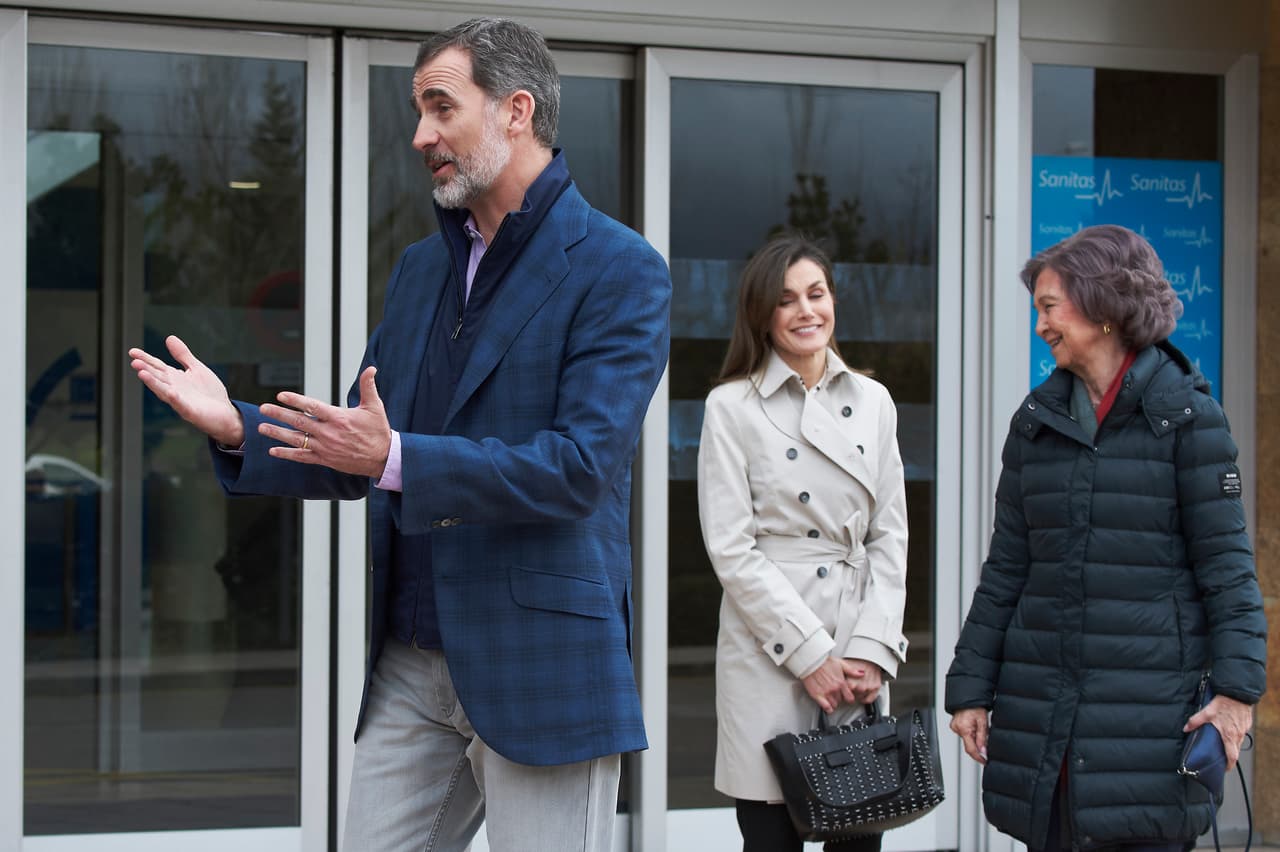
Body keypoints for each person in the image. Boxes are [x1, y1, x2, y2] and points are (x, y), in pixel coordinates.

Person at [129, 17, 671, 852]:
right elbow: (357, 447)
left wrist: (397, 457)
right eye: (417, 111)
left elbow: (579, 468)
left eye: (440, 107)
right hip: (412, 662)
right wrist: (235, 424)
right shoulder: (421, 269)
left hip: (540, 660)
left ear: (516, 109)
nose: (420, 135)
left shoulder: (619, 268)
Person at [945, 224, 1266, 852]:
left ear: (1103, 304)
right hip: (1049, 730)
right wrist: (971, 688)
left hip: (1149, 729)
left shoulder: (1190, 421)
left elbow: (1227, 569)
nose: (1041, 326)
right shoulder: (1035, 425)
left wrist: (1236, 695)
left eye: (1049, 307)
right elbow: (1007, 568)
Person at [696, 235, 909, 852]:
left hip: (855, 646)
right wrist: (808, 654)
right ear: (763, 314)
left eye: (817, 294)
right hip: (769, 650)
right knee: (769, 838)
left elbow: (891, 534)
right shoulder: (730, 407)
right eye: (787, 300)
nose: (806, 311)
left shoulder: (874, 401)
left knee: (858, 841)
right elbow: (731, 550)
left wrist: (872, 649)